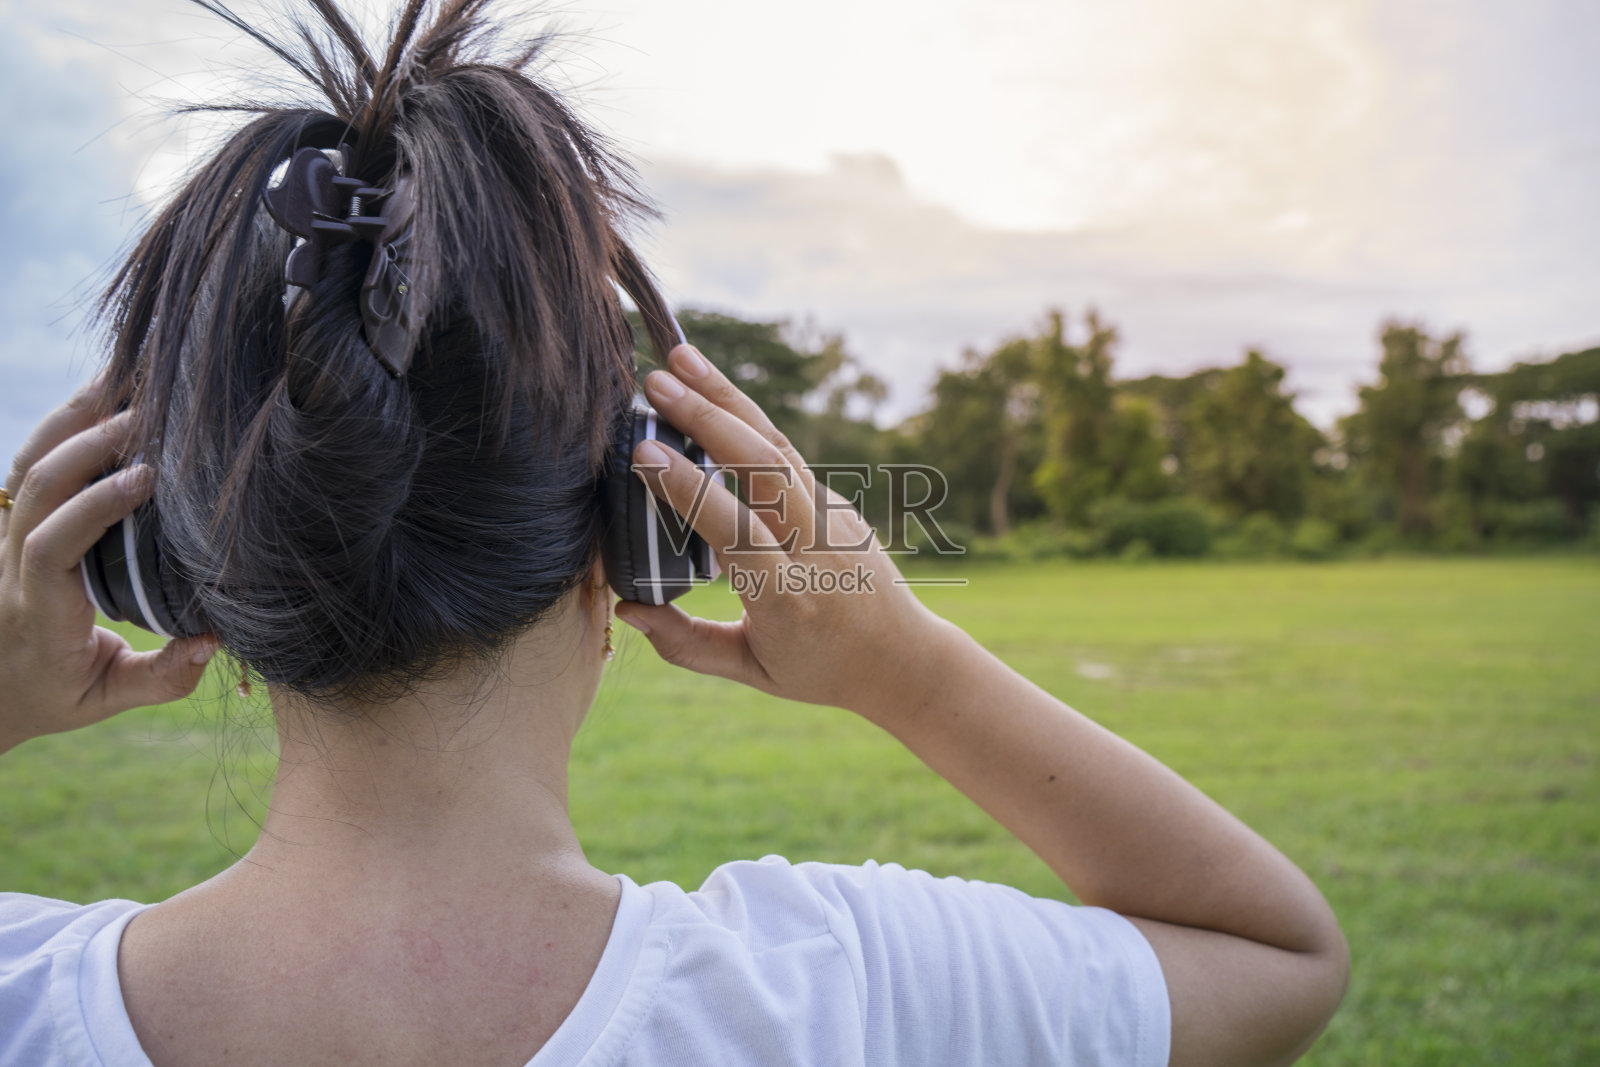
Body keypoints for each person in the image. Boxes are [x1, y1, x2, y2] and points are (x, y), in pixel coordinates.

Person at [0, 2, 1348, 1064]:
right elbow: (1281, 961)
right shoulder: (854, 988)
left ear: (166, 566)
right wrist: (904, 667)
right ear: (643, 523)